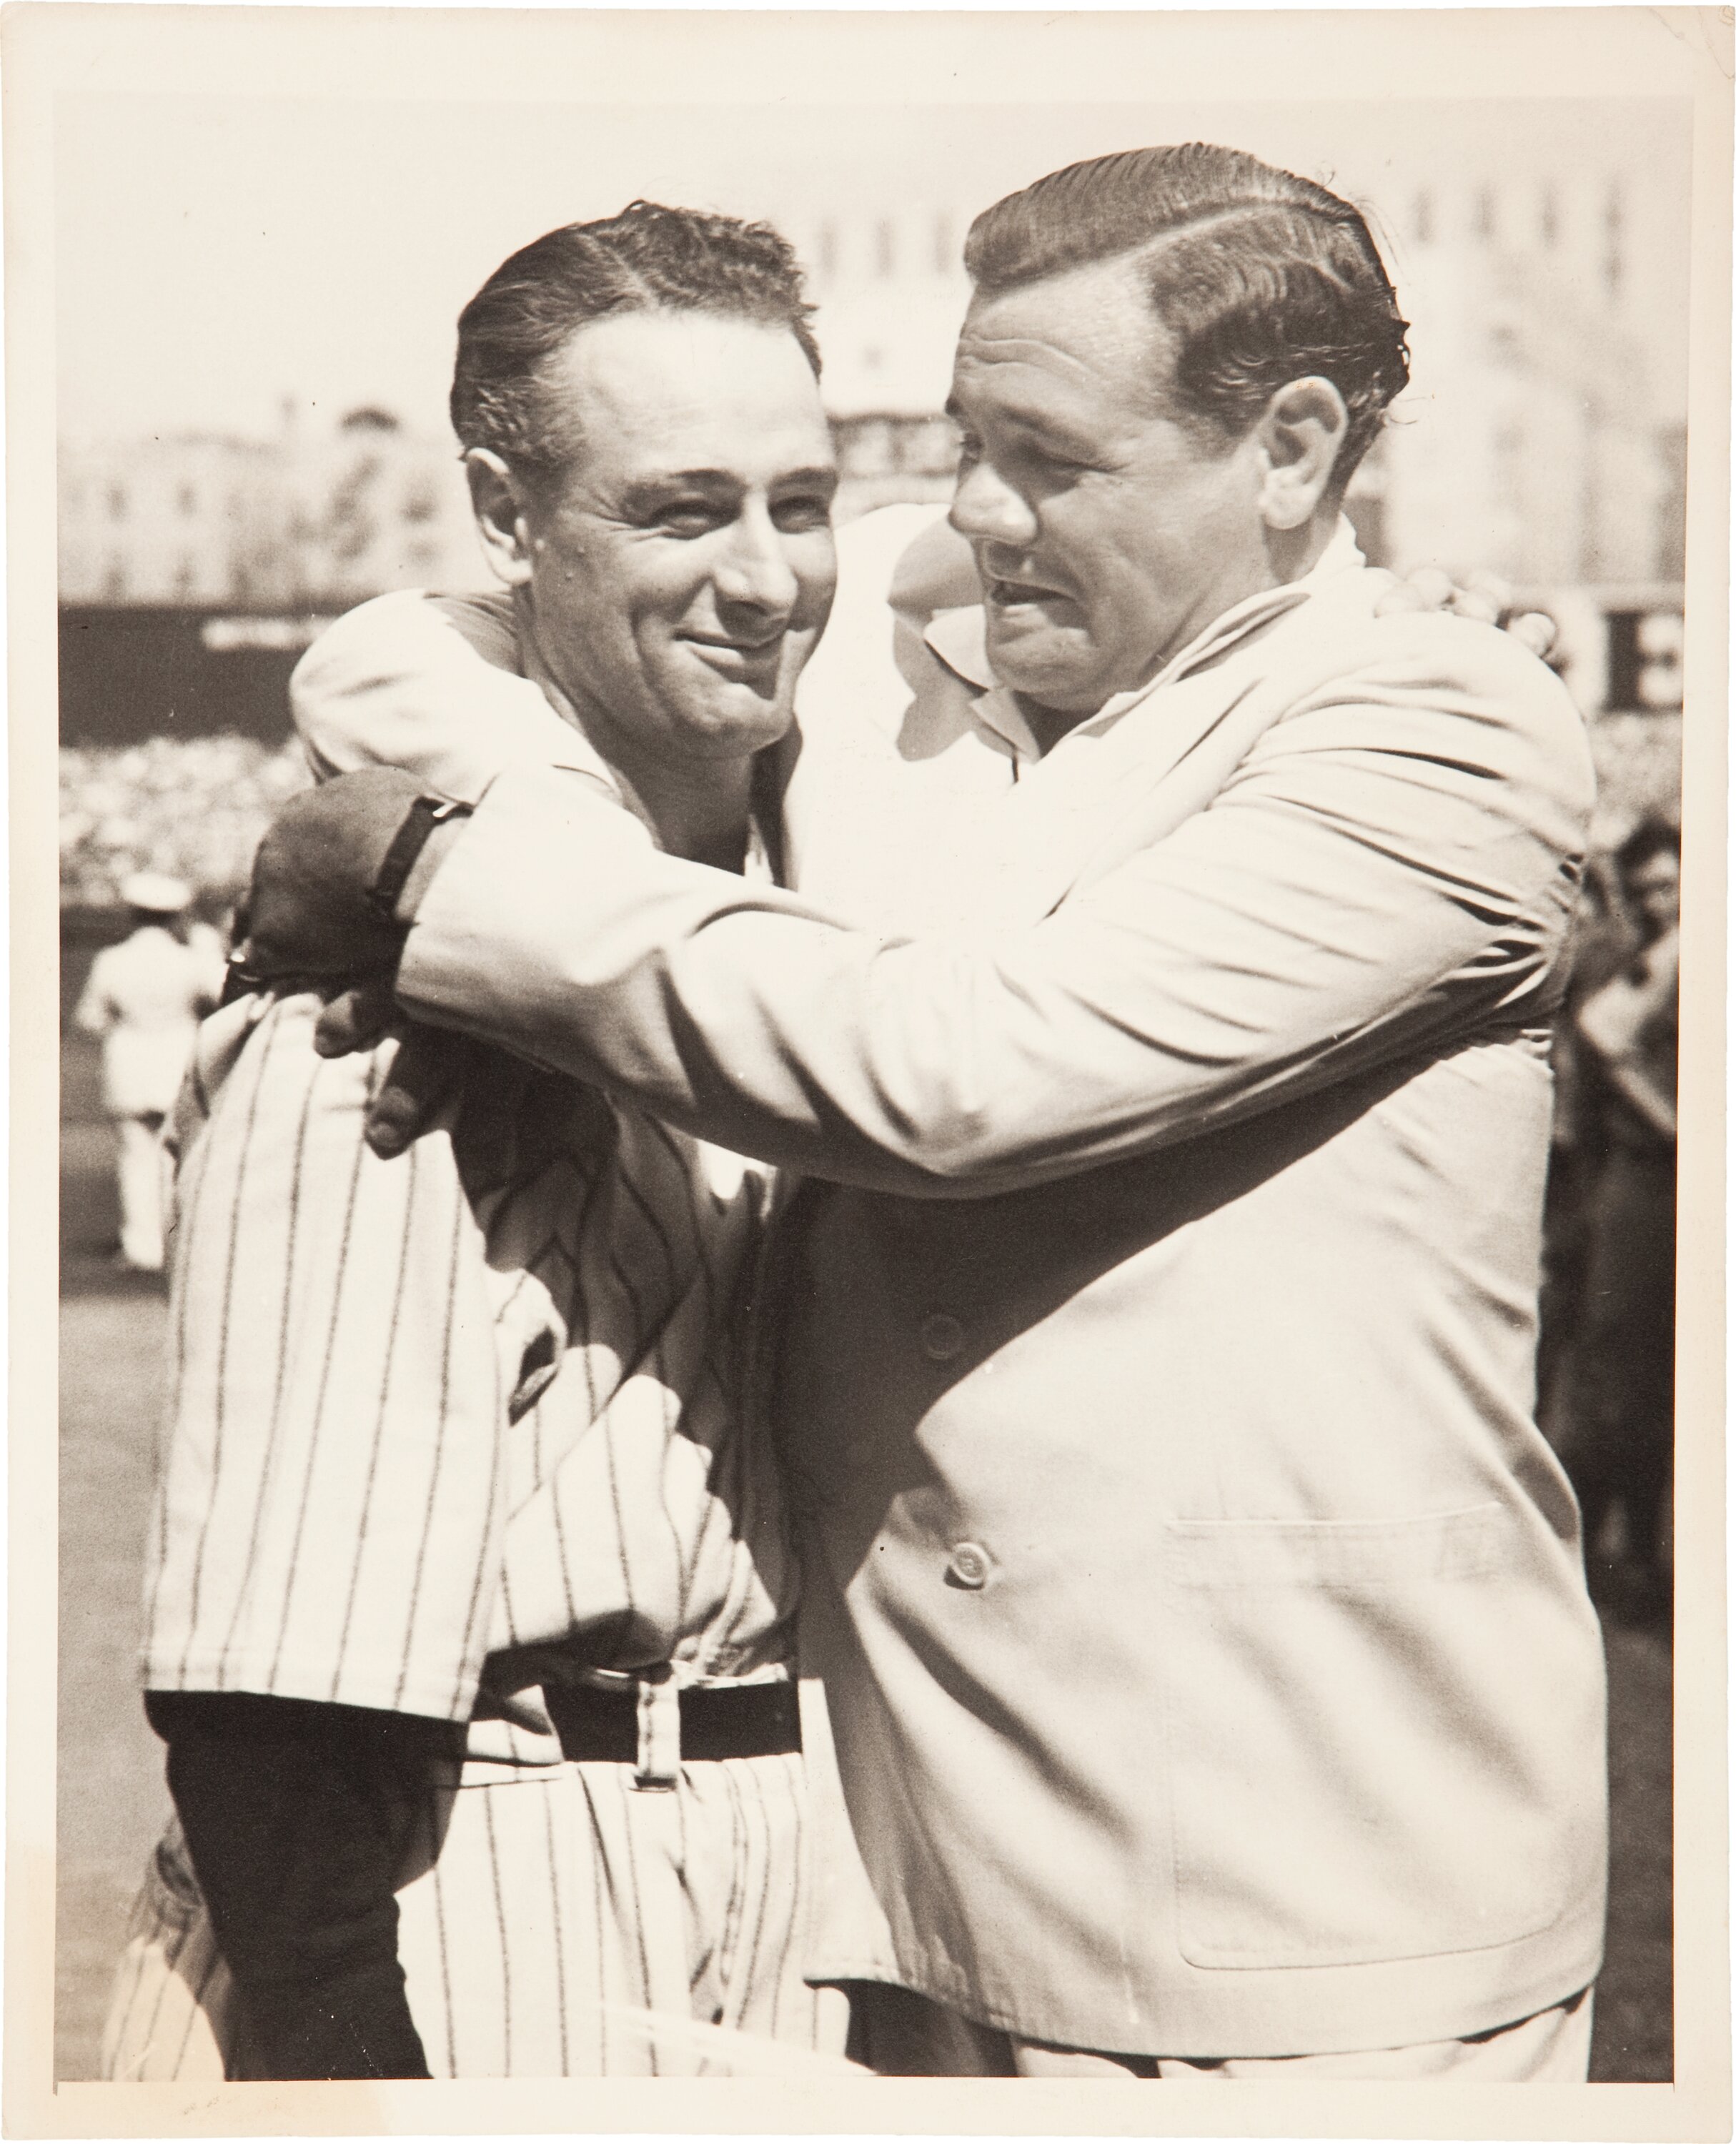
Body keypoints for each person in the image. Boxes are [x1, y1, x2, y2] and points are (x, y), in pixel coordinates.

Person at [249, 143, 1609, 2080]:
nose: (968, 513)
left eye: (1046, 460)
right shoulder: (920, 621)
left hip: (1315, 1913)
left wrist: (441, 894)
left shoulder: (1441, 729)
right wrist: (493, 845)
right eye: (963, 441)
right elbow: (405, 648)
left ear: (1292, 450)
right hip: (896, 1902)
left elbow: (954, 1075)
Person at [100, 204, 856, 2082]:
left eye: (799, 501)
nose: (765, 578)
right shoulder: (373, 1026)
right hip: (480, 1884)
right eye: (682, 512)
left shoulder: (811, 921)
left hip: (780, 1887)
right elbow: (269, 1701)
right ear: (508, 519)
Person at [1562, 818, 1679, 1621]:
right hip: (1644, 1175)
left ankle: (1637, 1553)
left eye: (1668, 886)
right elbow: (1601, 1032)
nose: (1658, 902)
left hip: (1670, 1180)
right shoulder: (1658, 956)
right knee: (1619, 1372)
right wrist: (1675, 1123)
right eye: (1644, 892)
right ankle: (1604, 1557)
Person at [73, 872, 224, 1272]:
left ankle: (143, 1247)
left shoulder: (112, 959)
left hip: (131, 1060)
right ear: (175, 916)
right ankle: (178, 1240)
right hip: (178, 1057)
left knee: (136, 1156)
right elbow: (223, 996)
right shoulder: (190, 959)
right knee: (179, 1155)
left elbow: (90, 1019)